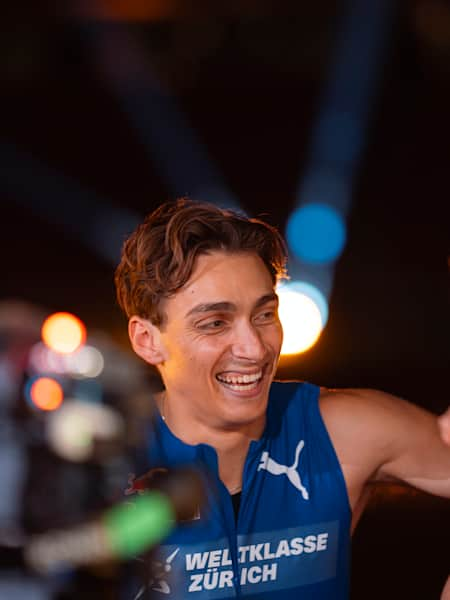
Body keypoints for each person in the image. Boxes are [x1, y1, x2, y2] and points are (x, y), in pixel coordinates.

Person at [115, 198, 450, 599]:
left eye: (264, 314)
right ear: (147, 341)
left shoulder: (342, 429)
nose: (254, 348)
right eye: (215, 323)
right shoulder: (108, 454)